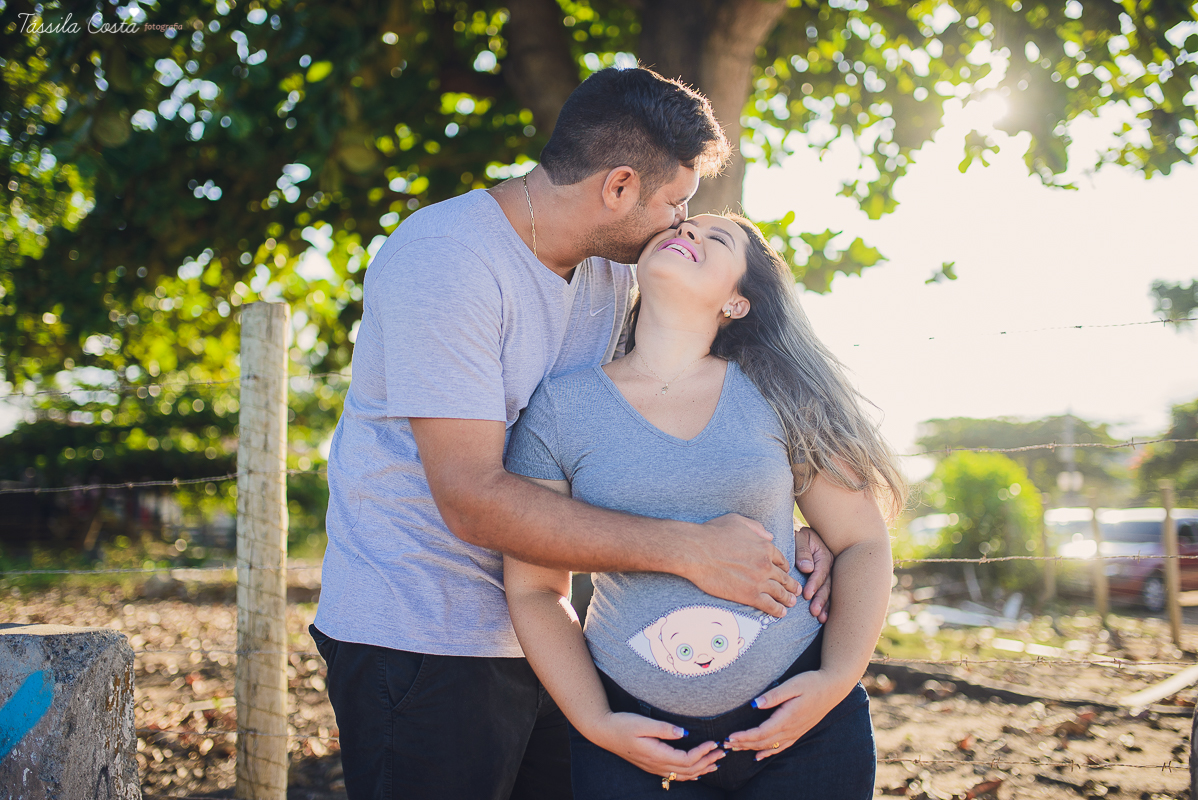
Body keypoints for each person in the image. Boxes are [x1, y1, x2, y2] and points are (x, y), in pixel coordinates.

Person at [309, 67, 835, 800]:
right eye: (674, 203)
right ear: (618, 187)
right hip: (423, 635)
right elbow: (471, 498)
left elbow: (650, 430)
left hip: (557, 635)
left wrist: (789, 535)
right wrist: (691, 552)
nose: (680, 226)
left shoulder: (614, 274)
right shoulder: (445, 261)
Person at [504, 213, 908, 798]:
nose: (688, 233)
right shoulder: (560, 408)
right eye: (684, 226)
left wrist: (835, 681)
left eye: (715, 238)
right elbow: (535, 588)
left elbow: (862, 541)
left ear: (737, 303)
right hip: (636, 740)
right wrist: (596, 722)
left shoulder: (777, 389)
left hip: (803, 731)